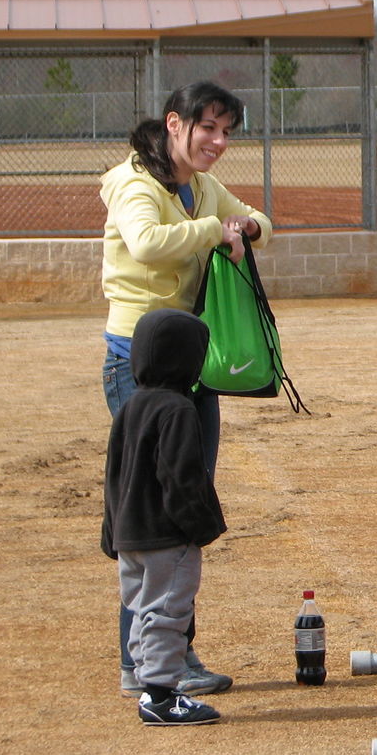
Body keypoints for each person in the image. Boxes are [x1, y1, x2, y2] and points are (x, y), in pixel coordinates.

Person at [100, 81, 272, 698]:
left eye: (228, 132)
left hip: (193, 367)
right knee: (153, 517)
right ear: (175, 123)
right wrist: (213, 231)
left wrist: (242, 228)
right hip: (138, 368)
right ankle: (145, 664)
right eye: (209, 129)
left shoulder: (197, 186)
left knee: (184, 506)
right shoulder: (134, 182)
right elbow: (147, 245)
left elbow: (260, 222)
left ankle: (169, 653)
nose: (220, 143)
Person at [102, 308, 227, 726]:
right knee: (168, 612)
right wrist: (202, 526)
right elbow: (182, 478)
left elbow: (113, 476)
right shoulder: (178, 410)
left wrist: (111, 532)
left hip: (130, 536)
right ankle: (160, 695)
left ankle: (144, 680)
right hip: (166, 538)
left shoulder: (129, 408)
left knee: (141, 609)